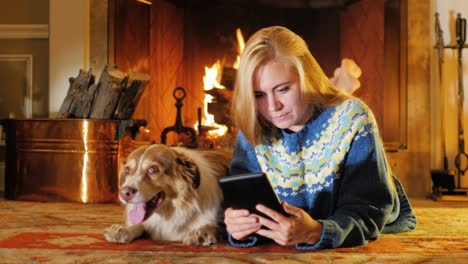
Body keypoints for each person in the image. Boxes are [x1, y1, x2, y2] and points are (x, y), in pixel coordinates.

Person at [224, 26, 416, 250]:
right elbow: (244, 206)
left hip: (353, 222)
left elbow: (368, 208)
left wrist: (317, 231)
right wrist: (239, 225)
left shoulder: (353, 118)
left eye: (283, 89)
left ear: (306, 77)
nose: (272, 106)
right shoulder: (254, 123)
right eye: (259, 95)